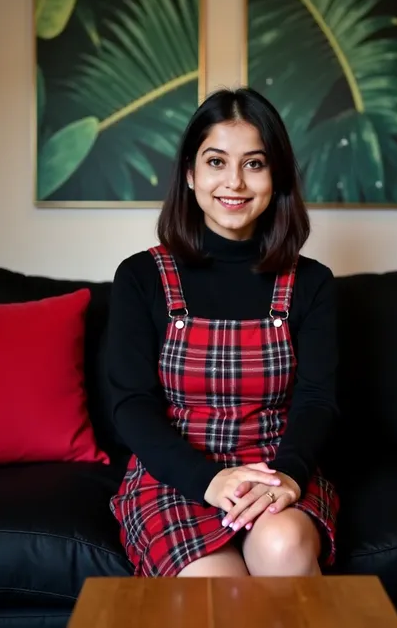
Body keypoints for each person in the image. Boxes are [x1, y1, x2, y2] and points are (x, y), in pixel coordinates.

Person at [106, 87, 339, 578]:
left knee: (283, 546)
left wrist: (291, 479)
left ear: (276, 178)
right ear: (190, 174)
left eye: (254, 164)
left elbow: (317, 399)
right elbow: (130, 403)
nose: (234, 182)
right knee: (214, 585)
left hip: (275, 469)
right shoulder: (141, 277)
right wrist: (208, 479)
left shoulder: (312, 282)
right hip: (175, 473)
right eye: (217, 161)